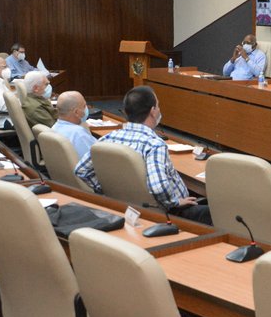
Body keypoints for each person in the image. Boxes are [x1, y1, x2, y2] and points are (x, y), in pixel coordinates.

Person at [75, 85, 212, 225]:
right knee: (214, 213)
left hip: (125, 209)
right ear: (153, 111)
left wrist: (107, 190)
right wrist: (175, 202)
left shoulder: (108, 138)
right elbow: (158, 187)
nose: (159, 109)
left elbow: (81, 170)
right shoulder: (154, 145)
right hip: (166, 215)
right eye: (158, 106)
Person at [52, 90, 96, 158]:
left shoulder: (54, 128)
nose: (86, 108)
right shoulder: (79, 134)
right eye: (84, 106)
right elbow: (99, 159)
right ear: (76, 112)